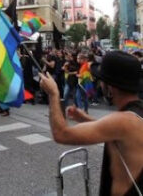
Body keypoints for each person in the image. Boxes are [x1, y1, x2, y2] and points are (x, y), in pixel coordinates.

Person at [39, 51, 143, 196]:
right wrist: (85, 119)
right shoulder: (134, 114)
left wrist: (53, 94)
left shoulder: (123, 121)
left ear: (110, 86)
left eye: (101, 80)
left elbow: (61, 134)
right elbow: (116, 133)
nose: (99, 84)